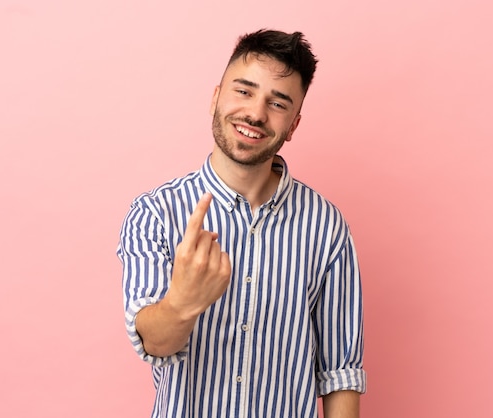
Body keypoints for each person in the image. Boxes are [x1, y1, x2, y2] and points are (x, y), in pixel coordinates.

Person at [117, 29, 366, 417]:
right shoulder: (156, 212)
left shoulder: (326, 226)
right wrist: (183, 302)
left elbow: (340, 376)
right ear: (216, 97)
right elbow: (153, 343)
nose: (255, 113)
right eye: (244, 91)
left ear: (294, 125)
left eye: (278, 103)